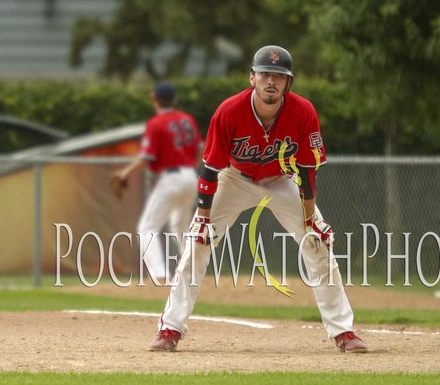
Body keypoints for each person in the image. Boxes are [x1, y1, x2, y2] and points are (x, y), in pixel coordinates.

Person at [147, 45, 367, 353]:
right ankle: (170, 328)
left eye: (279, 76)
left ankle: (343, 331)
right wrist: (203, 218)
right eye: (265, 74)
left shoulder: (303, 112)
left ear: (288, 83)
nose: (271, 81)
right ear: (252, 78)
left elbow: (306, 173)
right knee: (197, 243)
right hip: (235, 178)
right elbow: (210, 171)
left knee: (317, 243)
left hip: (281, 179)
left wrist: (309, 220)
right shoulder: (229, 111)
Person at [113, 82, 203, 283]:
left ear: (154, 98)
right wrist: (189, 168)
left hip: (171, 178)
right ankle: (193, 271)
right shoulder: (187, 119)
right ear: (175, 99)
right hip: (190, 176)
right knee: (180, 226)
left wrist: (125, 173)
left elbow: (146, 158)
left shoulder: (156, 123)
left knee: (147, 227)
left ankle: (160, 275)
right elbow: (200, 149)